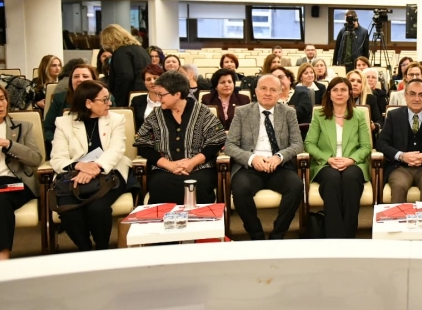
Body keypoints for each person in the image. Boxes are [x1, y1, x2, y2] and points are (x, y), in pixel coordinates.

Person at [49, 80, 130, 251]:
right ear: (88, 103)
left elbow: (116, 150)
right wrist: (79, 166)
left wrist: (95, 167)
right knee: (69, 212)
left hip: (108, 173)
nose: (109, 103)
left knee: (98, 209)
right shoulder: (63, 123)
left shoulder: (116, 120)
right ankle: (84, 249)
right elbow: (57, 158)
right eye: (105, 100)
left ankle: (102, 248)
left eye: (109, 98)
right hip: (74, 176)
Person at [224, 74, 304, 240]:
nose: (268, 93)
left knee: (296, 186)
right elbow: (230, 145)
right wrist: (252, 158)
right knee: (240, 189)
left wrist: (279, 157)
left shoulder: (288, 113)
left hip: (279, 166)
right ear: (256, 91)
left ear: (280, 93)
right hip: (250, 167)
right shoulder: (242, 112)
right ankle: (257, 235)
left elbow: (298, 144)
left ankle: (277, 235)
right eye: (263, 88)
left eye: (273, 90)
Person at [0, 83, 42, 263]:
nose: (0, 104)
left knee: (1, 201)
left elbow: (36, 159)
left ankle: (4, 259)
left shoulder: (23, 127)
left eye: (2, 99)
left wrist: (8, 144)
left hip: (14, 182)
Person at [134, 71, 226, 205]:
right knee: (159, 185)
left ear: (177, 94)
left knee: (199, 185)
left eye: (161, 94)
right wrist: (169, 165)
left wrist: (192, 162)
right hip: (164, 169)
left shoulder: (202, 112)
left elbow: (216, 141)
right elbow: (142, 144)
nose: (158, 99)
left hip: (199, 168)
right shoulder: (156, 115)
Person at [304, 78, 372, 238]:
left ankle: (347, 235)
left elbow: (366, 146)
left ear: (350, 93)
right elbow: (309, 144)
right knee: (332, 179)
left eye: (343, 90)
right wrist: (328, 159)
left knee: (350, 179)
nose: (339, 93)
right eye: (335, 90)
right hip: (326, 164)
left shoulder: (359, 115)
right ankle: (335, 236)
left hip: (353, 163)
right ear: (329, 94)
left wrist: (351, 160)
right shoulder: (319, 115)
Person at [44, 63, 104, 147]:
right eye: (76, 76)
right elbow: (48, 129)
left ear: (94, 80)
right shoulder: (60, 98)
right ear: (71, 81)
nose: (80, 79)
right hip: (66, 146)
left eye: (85, 76)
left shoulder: (105, 98)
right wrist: (59, 143)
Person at [100, 23, 151, 107]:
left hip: (129, 97)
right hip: (144, 94)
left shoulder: (121, 52)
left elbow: (125, 76)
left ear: (110, 40)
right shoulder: (141, 50)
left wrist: (118, 101)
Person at [130, 64, 164, 130]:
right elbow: (134, 126)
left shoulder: (170, 99)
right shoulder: (136, 101)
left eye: (155, 78)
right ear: (144, 83)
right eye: (148, 79)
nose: (152, 82)